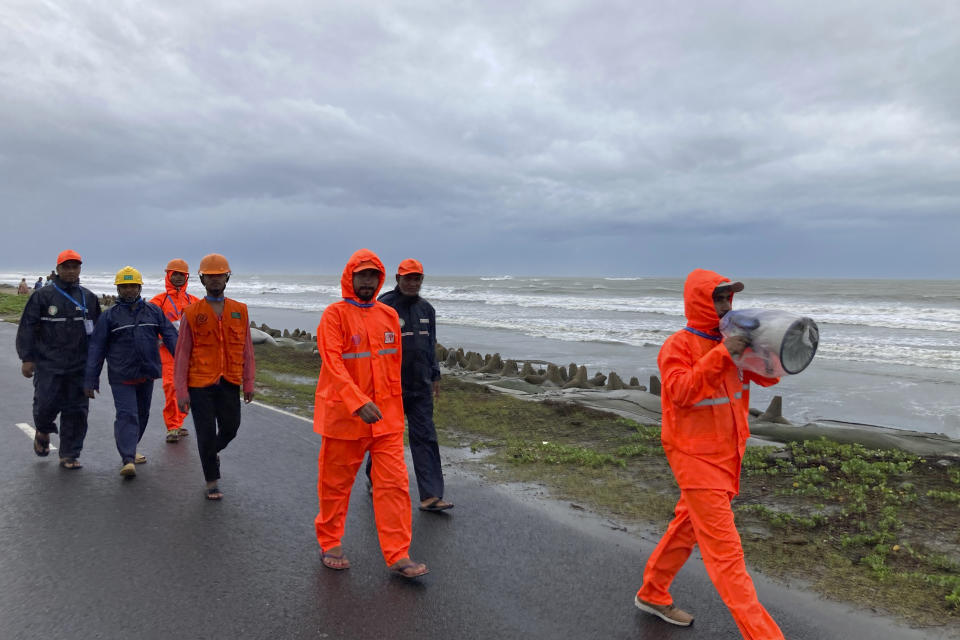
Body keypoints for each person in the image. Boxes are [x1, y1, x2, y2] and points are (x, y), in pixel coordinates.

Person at [633, 269, 784, 639]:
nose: (724, 305)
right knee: (727, 560)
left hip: (727, 455)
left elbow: (769, 377)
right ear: (699, 301)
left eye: (727, 298)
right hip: (694, 457)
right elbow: (682, 392)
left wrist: (765, 347)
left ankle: (652, 593)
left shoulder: (729, 340)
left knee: (686, 527)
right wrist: (723, 354)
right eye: (717, 298)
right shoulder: (678, 346)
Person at [313, 249, 428, 578]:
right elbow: (333, 364)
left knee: (394, 485)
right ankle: (330, 541)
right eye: (361, 274)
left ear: (380, 280)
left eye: (373, 275)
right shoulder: (334, 315)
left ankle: (398, 554)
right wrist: (356, 400)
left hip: (387, 420)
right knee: (335, 485)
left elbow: (394, 364)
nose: (367, 280)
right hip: (345, 418)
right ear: (350, 277)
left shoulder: (388, 315)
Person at [364, 258, 451, 512]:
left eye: (417, 279)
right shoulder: (382, 306)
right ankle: (373, 477)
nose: (412, 283)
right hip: (390, 388)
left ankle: (431, 495)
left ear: (421, 280)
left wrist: (435, 375)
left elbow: (430, 345)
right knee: (384, 438)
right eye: (408, 278)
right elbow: (373, 348)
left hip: (421, 386)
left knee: (425, 437)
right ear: (397, 279)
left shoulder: (427, 310)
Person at [173, 253, 255, 500]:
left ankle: (212, 451)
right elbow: (182, 354)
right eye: (210, 276)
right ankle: (212, 481)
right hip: (200, 385)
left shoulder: (240, 310)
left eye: (219, 275)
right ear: (202, 279)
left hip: (230, 382)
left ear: (226, 278)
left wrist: (249, 382)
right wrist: (181, 392)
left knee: (231, 428)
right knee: (205, 433)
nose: (215, 280)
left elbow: (247, 350)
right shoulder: (191, 312)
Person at [84, 267, 179, 477]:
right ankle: (127, 459)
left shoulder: (153, 312)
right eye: (124, 287)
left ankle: (130, 447)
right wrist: (91, 380)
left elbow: (171, 337)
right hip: (121, 376)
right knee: (127, 414)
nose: (128, 290)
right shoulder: (109, 317)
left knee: (142, 415)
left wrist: (185, 364)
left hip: (146, 373)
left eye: (132, 286)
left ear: (139, 287)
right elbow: (96, 349)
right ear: (118, 289)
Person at [16, 250, 101, 469]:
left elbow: (99, 335)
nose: (71, 271)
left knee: (76, 411)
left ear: (80, 269)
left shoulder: (89, 298)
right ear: (58, 269)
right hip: (48, 364)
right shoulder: (42, 296)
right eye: (67, 267)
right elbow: (27, 328)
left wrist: (95, 367)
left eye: (75, 266)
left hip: (79, 367)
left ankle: (69, 454)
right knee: (45, 405)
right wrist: (27, 358)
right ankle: (43, 430)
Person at [149, 259, 199, 443]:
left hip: (190, 354)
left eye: (182, 274)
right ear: (168, 275)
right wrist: (158, 338)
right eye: (174, 274)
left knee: (191, 389)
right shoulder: (158, 301)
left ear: (186, 277)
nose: (178, 278)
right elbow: (148, 326)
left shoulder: (194, 301)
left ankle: (178, 421)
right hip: (167, 354)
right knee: (172, 387)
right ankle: (172, 427)